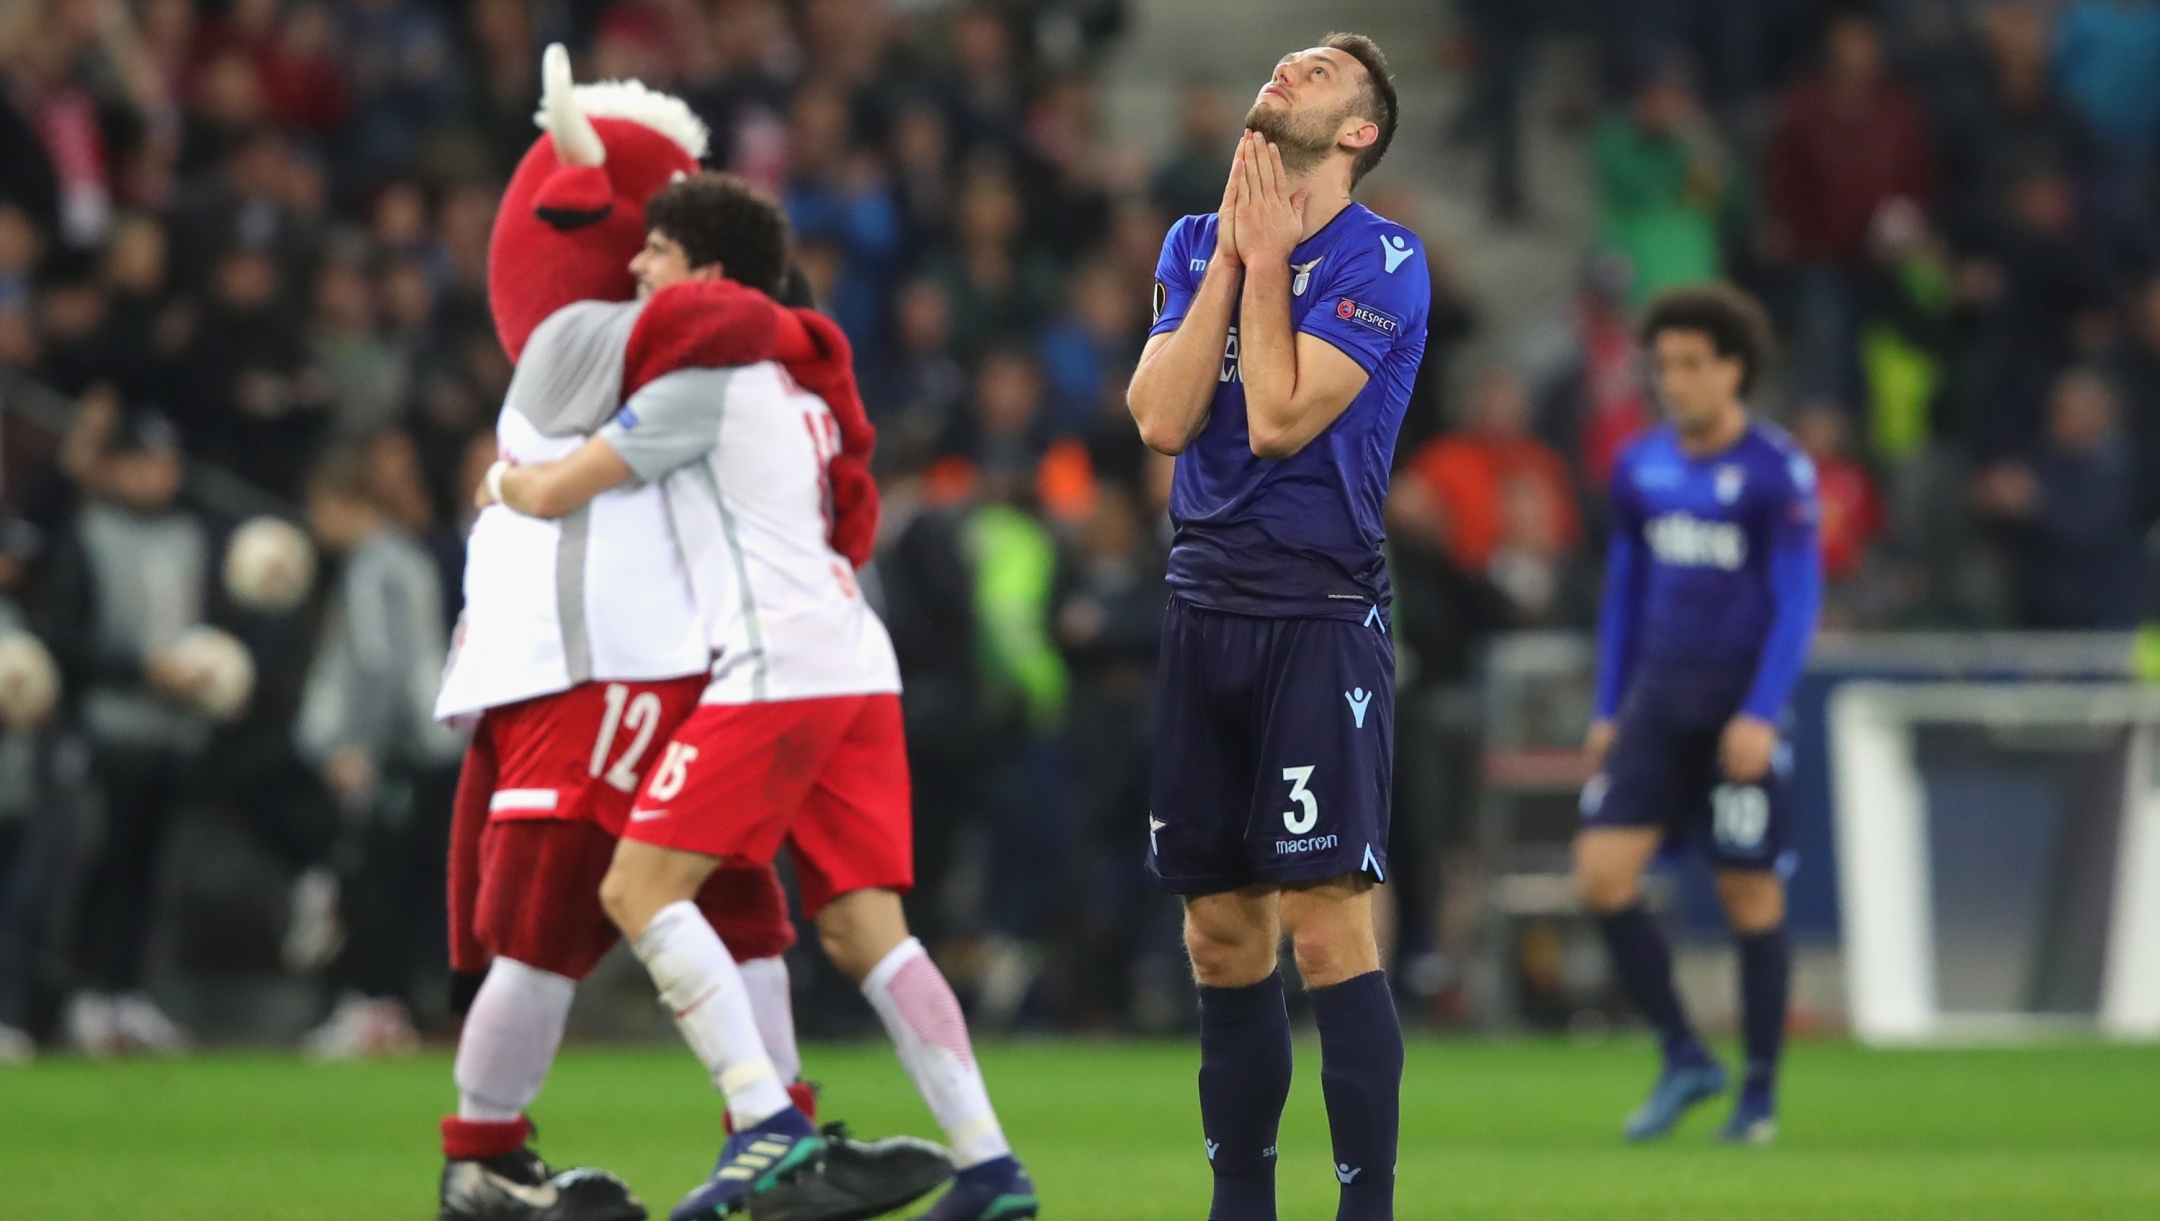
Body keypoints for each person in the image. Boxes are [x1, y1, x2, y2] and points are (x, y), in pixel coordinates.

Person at [484, 171, 1033, 1221]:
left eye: (655, 252)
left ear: (710, 274)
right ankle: (991, 1167)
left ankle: (764, 1119)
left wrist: (498, 480)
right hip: (854, 662)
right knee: (868, 932)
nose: (636, 269)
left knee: (638, 891)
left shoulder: (709, 377)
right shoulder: (797, 377)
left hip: (779, 665)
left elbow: (556, 491)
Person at [428, 57, 913, 1221]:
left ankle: (777, 1137)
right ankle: (483, 1158)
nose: (654, 258)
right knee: (546, 920)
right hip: (579, 666)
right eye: (654, 225)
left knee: (745, 902)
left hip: (680, 669)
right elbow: (730, 326)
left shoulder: (676, 334)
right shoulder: (574, 338)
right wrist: (771, 288)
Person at [1125, 33, 1424, 1221]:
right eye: (1284, 61)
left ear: (1358, 132)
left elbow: (1285, 416)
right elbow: (1159, 416)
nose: (1284, 71)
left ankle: (1364, 1210)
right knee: (1218, 935)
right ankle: (1240, 1206)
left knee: (1326, 925)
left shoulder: (1385, 257)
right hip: (1204, 606)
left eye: (1318, 71)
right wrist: (1229, 263)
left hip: (1320, 613)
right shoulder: (1194, 242)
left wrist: (1265, 266)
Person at [1576, 284, 1823, 1146]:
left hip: (1735, 718)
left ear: (1733, 368)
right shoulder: (1640, 465)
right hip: (1655, 709)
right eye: (1662, 365)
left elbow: (1797, 600)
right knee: (1602, 875)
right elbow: (1624, 595)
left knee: (1748, 892)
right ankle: (1685, 1053)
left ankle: (1757, 1094)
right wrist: (1608, 706)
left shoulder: (1774, 470)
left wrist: (1763, 711)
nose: (1671, 381)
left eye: (1689, 364)